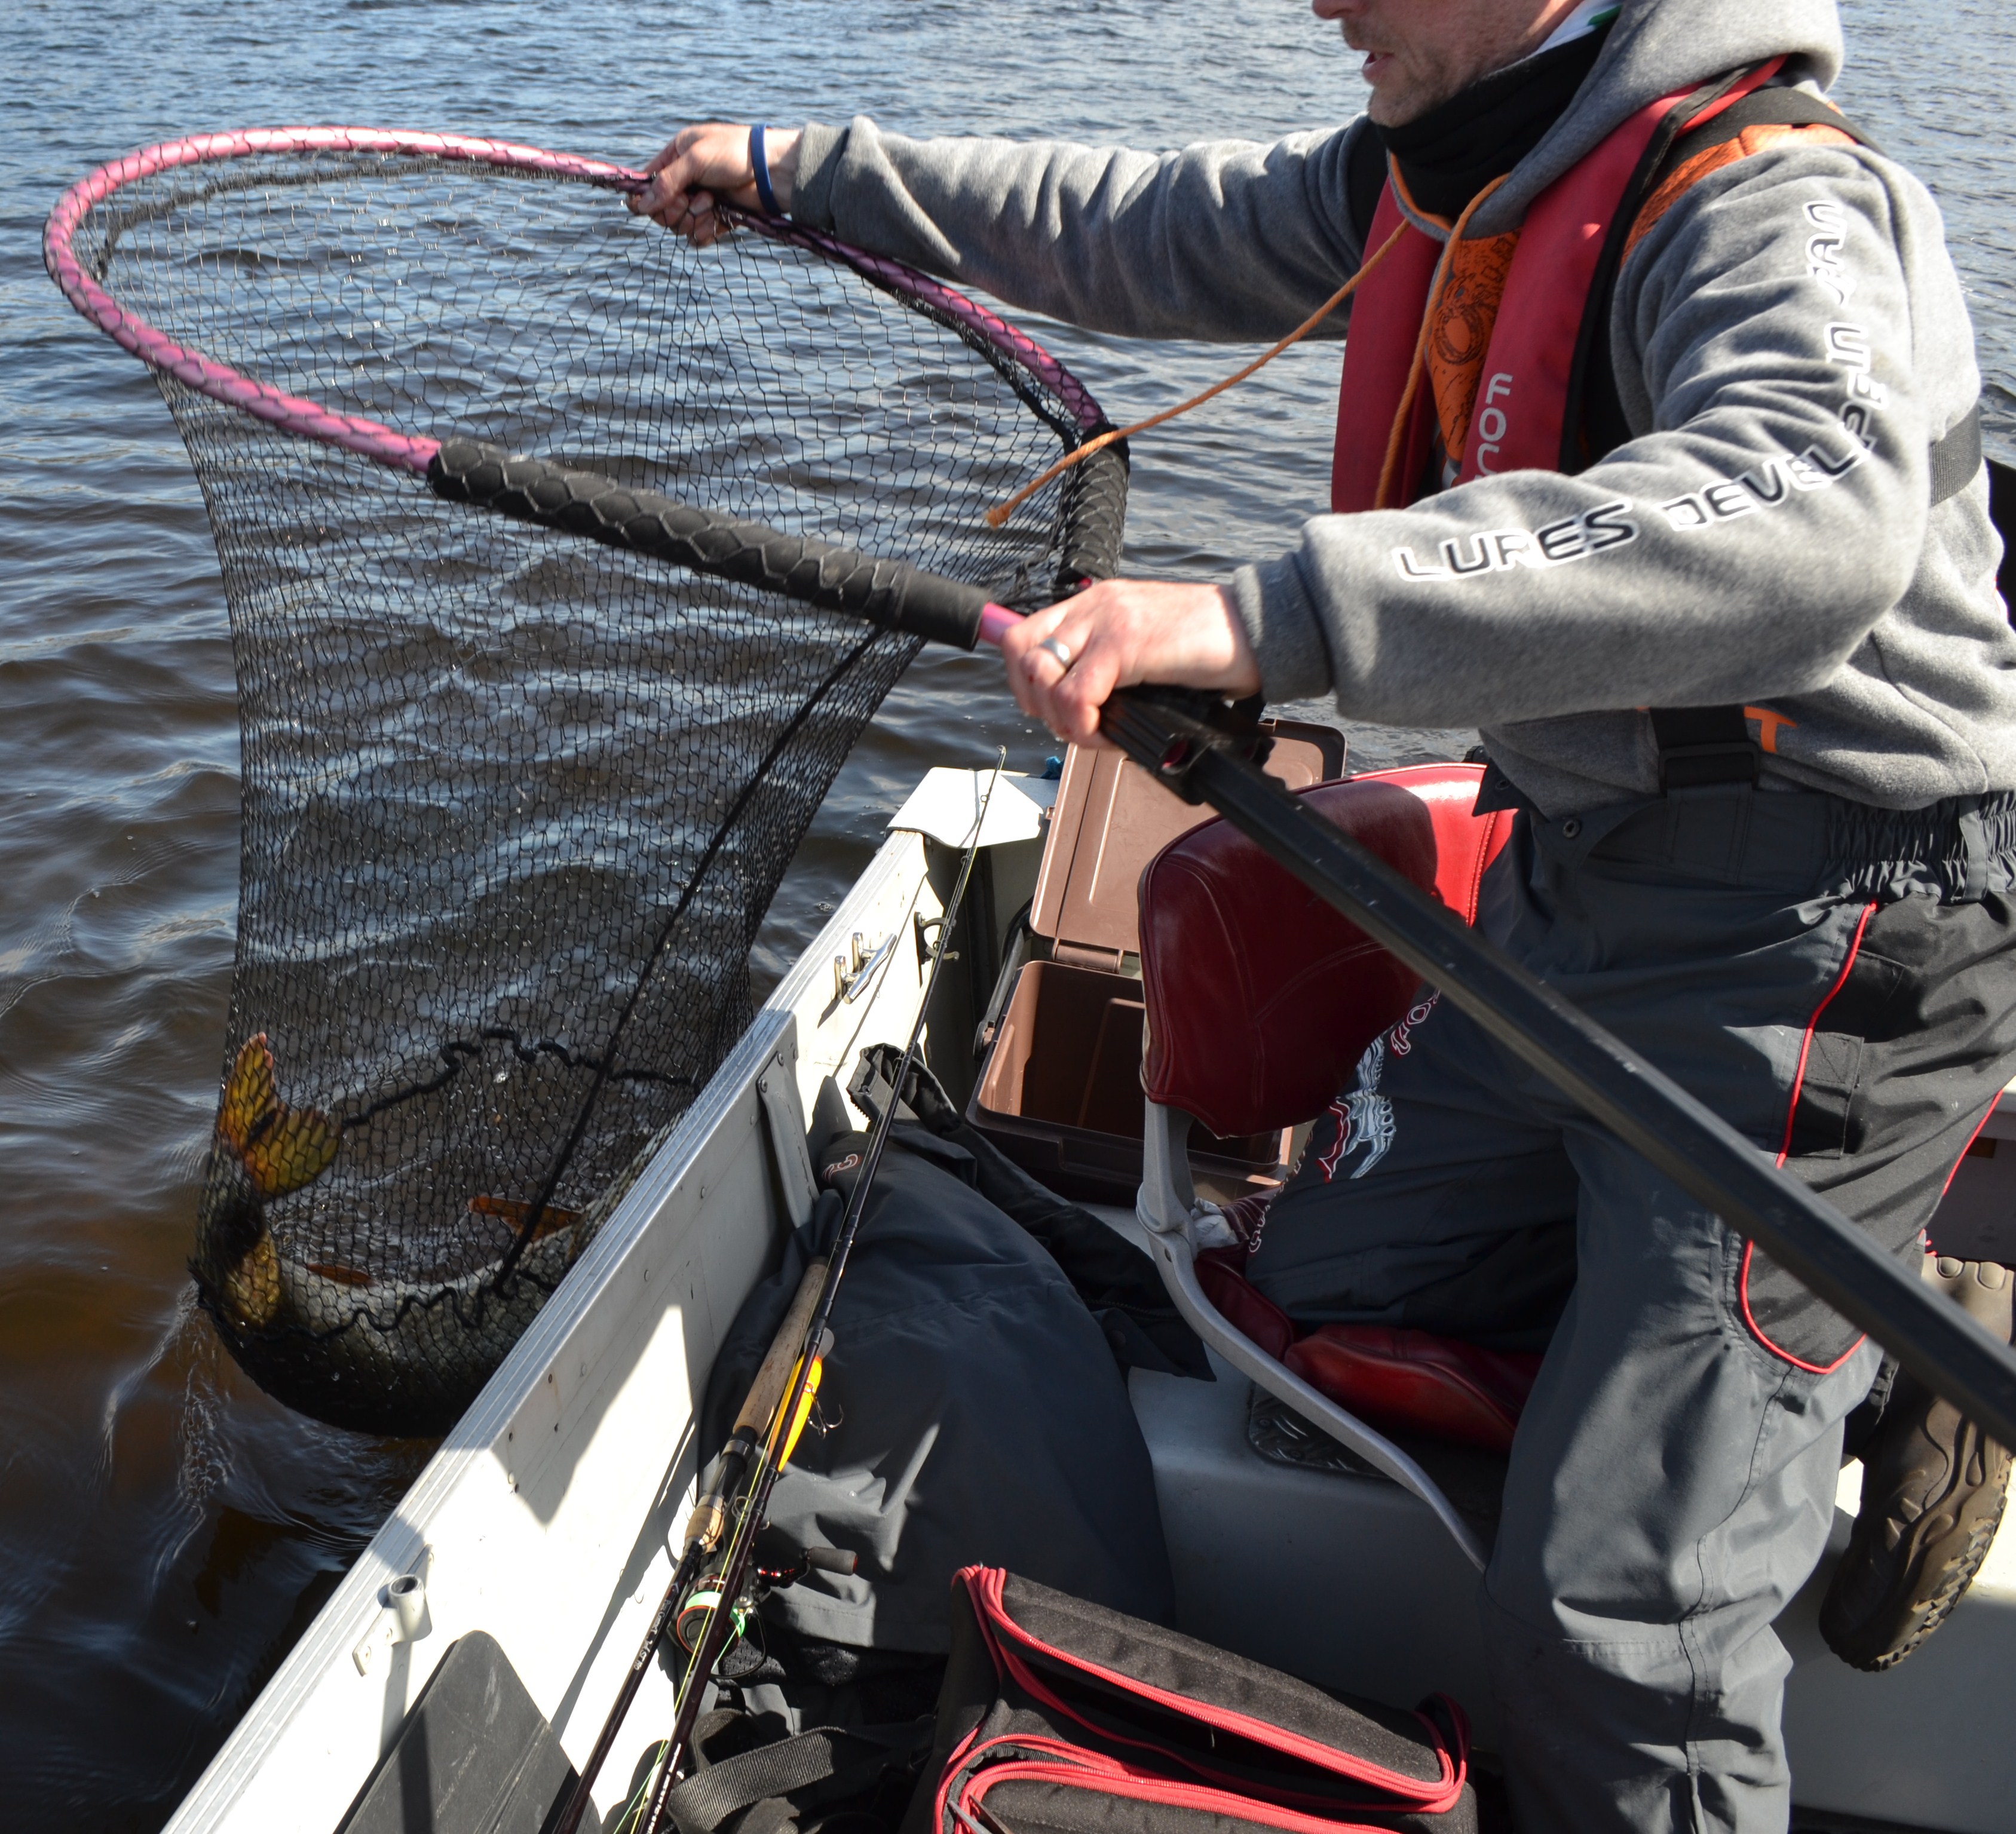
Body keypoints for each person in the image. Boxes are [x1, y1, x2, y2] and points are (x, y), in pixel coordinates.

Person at [633, 1, 2016, 1827]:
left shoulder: (1773, 197)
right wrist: (808, 174)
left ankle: (1843, 1320)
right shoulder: (1456, 172)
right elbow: (1137, 221)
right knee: (1304, 1297)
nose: (1321, 2)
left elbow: (1809, 520)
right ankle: (1886, 1303)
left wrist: (1257, 618)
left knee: (1623, 1627)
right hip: (1571, 893)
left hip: (1827, 938)